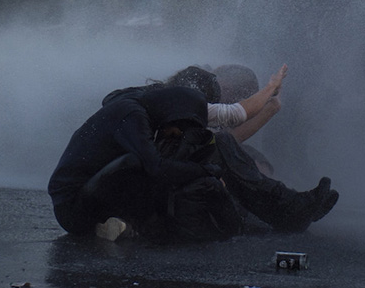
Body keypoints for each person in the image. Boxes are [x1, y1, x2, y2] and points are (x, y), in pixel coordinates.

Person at [48, 85, 337, 241]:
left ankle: (287, 208)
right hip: (75, 208)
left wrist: (269, 93)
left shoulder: (153, 105)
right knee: (139, 162)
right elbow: (156, 168)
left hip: (106, 192)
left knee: (219, 144)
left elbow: (227, 120)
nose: (179, 136)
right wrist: (204, 170)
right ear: (173, 116)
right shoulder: (131, 114)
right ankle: (153, 226)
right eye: (180, 129)